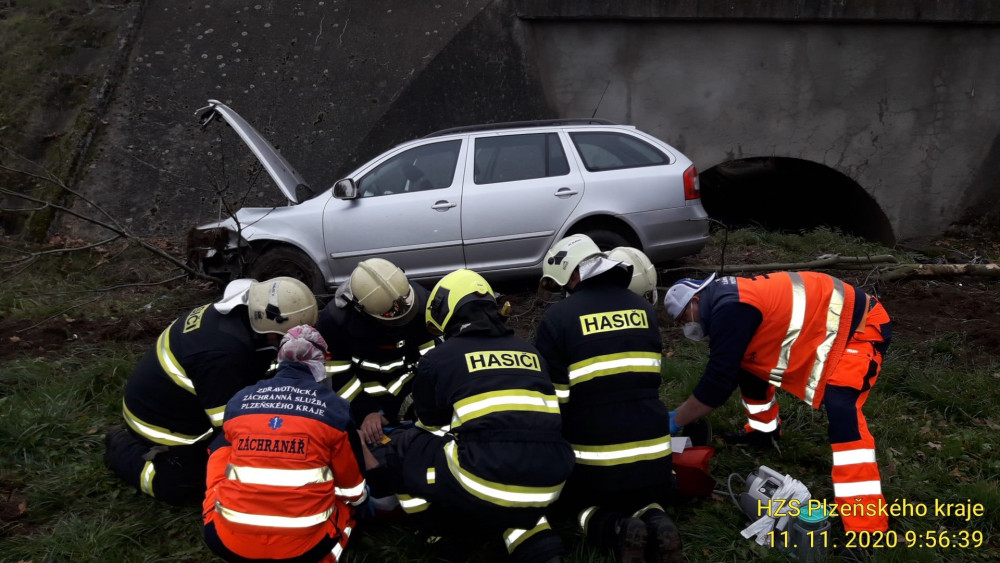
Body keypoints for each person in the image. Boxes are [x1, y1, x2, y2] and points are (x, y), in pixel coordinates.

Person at [371, 269, 575, 562]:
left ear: (445, 311)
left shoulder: (439, 358)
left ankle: (437, 534)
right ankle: (543, 550)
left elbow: (430, 425)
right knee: (513, 501)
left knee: (406, 447)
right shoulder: (530, 352)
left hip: (485, 478)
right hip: (552, 480)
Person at [664, 271, 892, 533]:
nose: (686, 326)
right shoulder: (724, 299)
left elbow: (717, 384)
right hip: (831, 322)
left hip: (860, 327)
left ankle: (867, 527)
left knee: (843, 413)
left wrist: (677, 418)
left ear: (695, 300)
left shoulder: (730, 310)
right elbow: (726, 367)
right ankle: (764, 431)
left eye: (684, 318)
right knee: (748, 364)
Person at [533, 234, 682, 563]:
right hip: (656, 460)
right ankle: (656, 517)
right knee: (643, 495)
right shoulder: (644, 309)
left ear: (572, 275)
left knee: (573, 506)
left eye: (562, 285)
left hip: (594, 466)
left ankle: (614, 528)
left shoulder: (558, 320)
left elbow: (553, 405)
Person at [104, 276, 319, 504]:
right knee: (191, 484)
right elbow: (231, 426)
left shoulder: (246, 312)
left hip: (174, 399)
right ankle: (122, 449)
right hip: (161, 427)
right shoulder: (222, 357)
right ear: (269, 328)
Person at [203, 325, 368, 563]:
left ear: (280, 358)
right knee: (347, 509)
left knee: (222, 445)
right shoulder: (334, 409)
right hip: (302, 551)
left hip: (228, 543)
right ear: (321, 360)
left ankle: (221, 504)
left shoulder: (239, 400)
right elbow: (351, 488)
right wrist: (361, 500)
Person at [316, 258, 440, 450]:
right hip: (364, 403)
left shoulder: (421, 303)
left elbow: (433, 363)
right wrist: (366, 412)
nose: (402, 318)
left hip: (412, 394)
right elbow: (338, 377)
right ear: (361, 309)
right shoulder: (335, 322)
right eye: (390, 316)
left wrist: (402, 407)